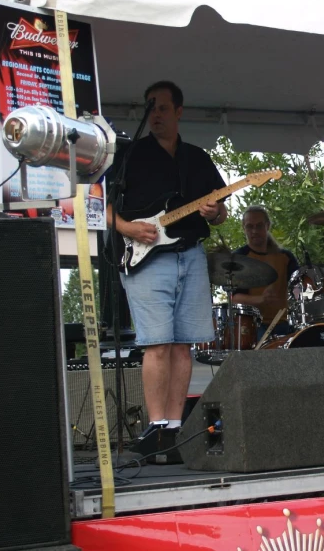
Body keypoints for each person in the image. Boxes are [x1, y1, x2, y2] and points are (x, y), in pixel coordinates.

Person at [107, 80, 228, 442]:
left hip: (190, 254)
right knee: (157, 343)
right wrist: (128, 227)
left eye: (161, 107)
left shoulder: (197, 158)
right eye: (149, 107)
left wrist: (214, 211)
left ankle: (174, 427)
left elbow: (220, 214)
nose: (155, 114)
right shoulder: (129, 155)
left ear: (178, 111)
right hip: (147, 259)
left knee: (183, 344)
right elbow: (100, 205)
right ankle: (157, 425)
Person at [231, 205, 299, 340]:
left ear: (267, 226)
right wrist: (260, 300)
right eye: (250, 226)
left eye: (259, 226)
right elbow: (233, 298)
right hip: (251, 325)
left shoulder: (285, 257)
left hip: (282, 324)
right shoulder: (240, 258)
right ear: (243, 228)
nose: (254, 231)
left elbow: (298, 288)